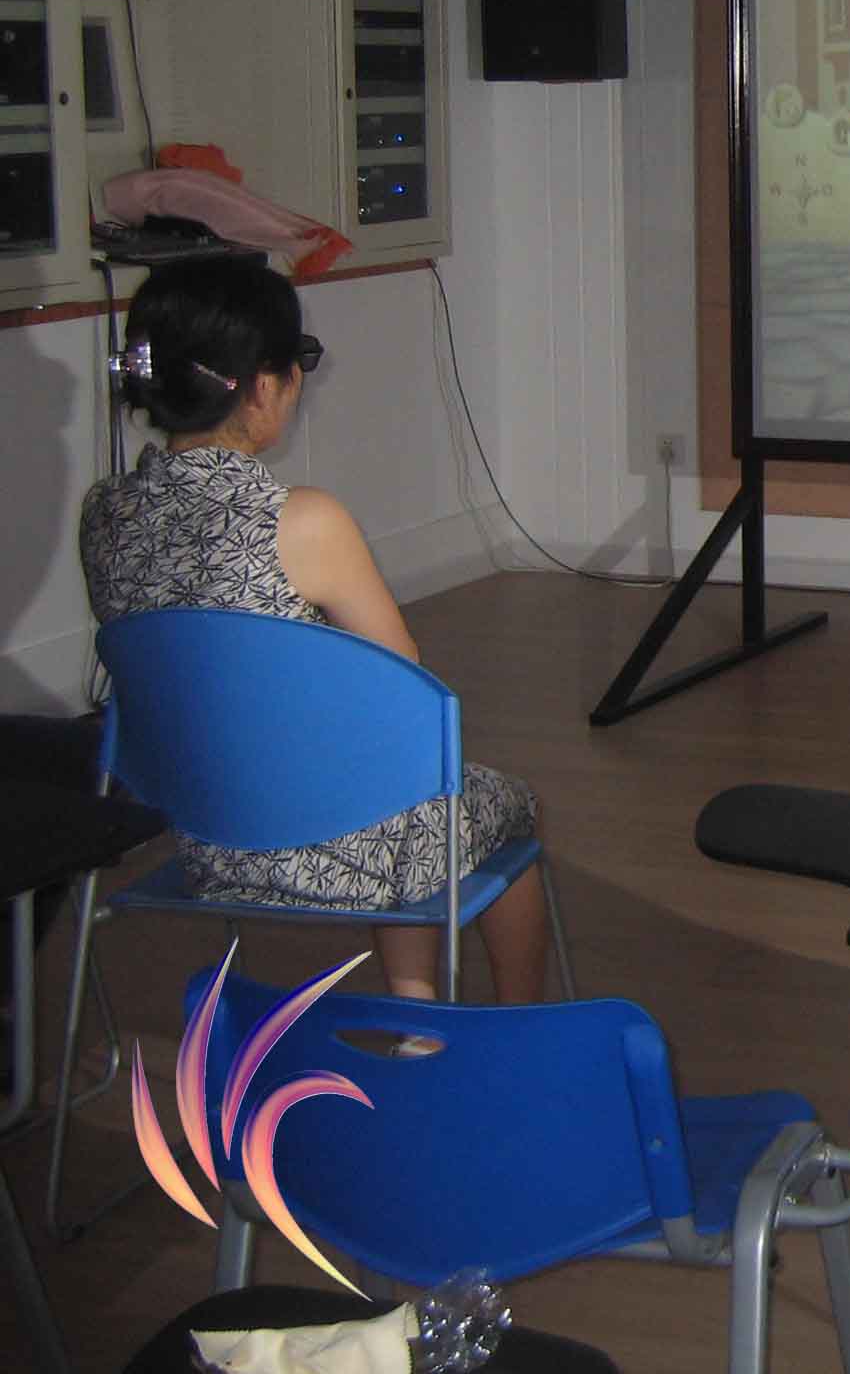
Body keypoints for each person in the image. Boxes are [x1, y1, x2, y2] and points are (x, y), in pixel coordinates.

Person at [79, 257, 552, 1005]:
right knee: (500, 806)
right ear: (263, 386)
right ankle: (489, 1025)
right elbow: (403, 679)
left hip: (203, 836)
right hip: (331, 841)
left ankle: (418, 1013)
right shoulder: (300, 520)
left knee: (401, 791)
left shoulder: (105, 514)